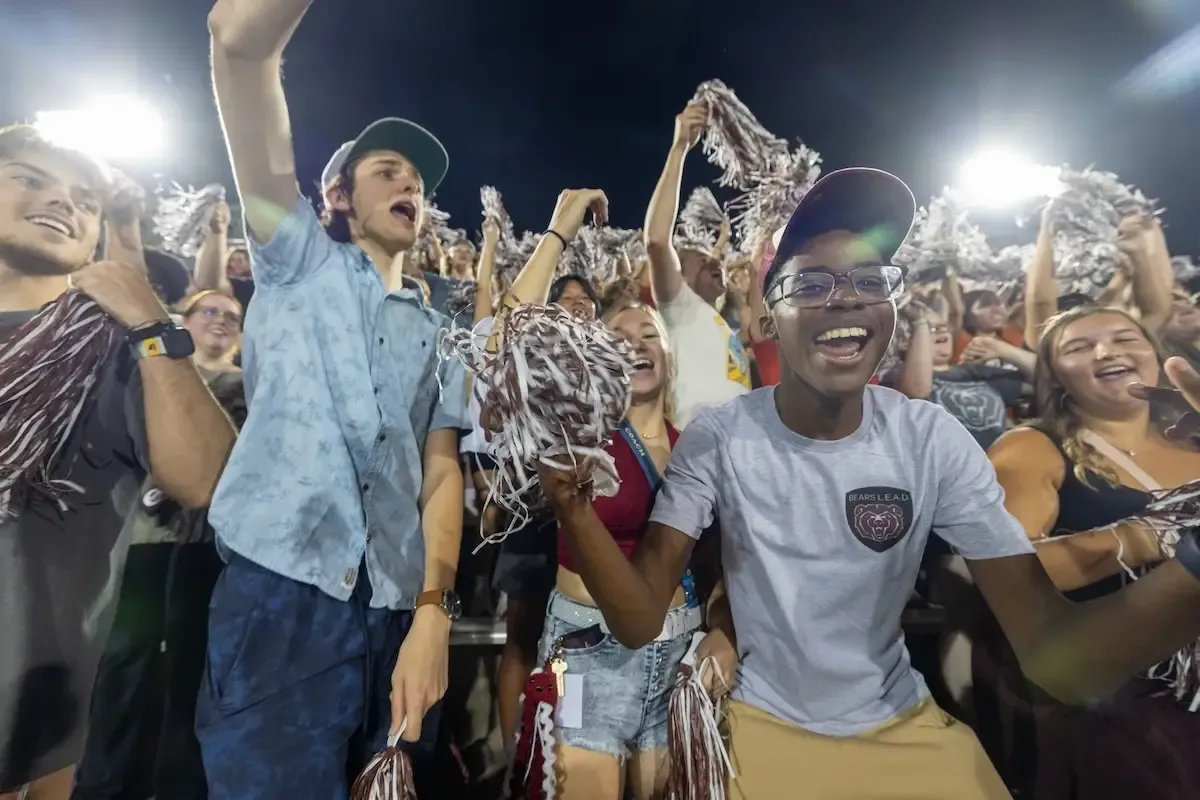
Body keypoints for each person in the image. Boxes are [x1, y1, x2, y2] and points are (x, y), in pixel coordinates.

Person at [538, 167, 1200, 799]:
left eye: (867, 279)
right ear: (768, 317)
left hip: (907, 731)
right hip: (758, 737)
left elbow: (1060, 660)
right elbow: (637, 618)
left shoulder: (930, 439)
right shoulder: (721, 436)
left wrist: (1192, 560)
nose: (845, 296)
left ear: (892, 302)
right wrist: (573, 507)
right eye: (811, 285)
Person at [201, 2, 470, 798]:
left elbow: (443, 473)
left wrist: (433, 614)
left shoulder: (442, 330)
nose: (409, 185)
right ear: (338, 196)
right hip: (283, 595)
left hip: (397, 613)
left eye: (417, 181)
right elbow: (237, 49)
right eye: (387, 169)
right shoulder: (295, 260)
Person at [0, 125, 236, 800]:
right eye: (29, 178)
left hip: (29, 733)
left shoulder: (118, 354)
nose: (62, 203)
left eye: (85, 199)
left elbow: (206, 480)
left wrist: (152, 323)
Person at [986, 306, 1200, 799]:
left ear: (1155, 355)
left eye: (1126, 338)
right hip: (1137, 688)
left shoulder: (1193, 433)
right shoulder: (1031, 446)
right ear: (1056, 376)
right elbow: (1005, 571)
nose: (1108, 351)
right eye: (1079, 348)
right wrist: (1148, 536)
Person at [533, 299, 737, 799]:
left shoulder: (696, 444)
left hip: (677, 655)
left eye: (650, 334)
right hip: (589, 652)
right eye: (618, 335)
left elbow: (718, 560)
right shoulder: (576, 440)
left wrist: (722, 628)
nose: (635, 343)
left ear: (669, 356)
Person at [73, 290, 246, 800]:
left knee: (188, 673)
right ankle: (106, 783)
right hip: (139, 545)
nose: (220, 321)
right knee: (124, 663)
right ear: (182, 321)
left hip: (203, 550)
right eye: (209, 311)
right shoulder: (147, 375)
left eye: (232, 317)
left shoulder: (250, 385)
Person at [643, 101, 750, 427]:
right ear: (680, 278)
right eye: (700, 262)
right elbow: (657, 241)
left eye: (713, 259)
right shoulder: (679, 308)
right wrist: (679, 149)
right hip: (699, 453)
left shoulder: (714, 320)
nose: (713, 262)